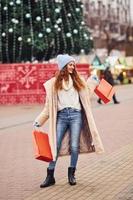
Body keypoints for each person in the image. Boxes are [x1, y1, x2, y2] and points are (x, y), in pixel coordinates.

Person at [34, 54, 104, 188]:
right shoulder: (53, 84)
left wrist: (93, 81)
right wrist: (39, 120)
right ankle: (50, 176)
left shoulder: (78, 81)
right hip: (61, 116)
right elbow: (48, 107)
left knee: (74, 146)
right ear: (63, 66)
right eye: (70, 64)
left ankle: (71, 174)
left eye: (73, 64)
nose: (72, 67)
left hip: (75, 115)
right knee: (55, 145)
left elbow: (86, 96)